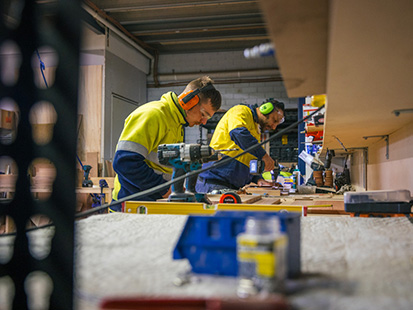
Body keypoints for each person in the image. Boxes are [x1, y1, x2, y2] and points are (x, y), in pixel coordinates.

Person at [110, 76, 222, 212]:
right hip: (129, 204)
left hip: (151, 202)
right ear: (189, 101)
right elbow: (124, 162)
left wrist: (179, 189)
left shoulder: (177, 123)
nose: (204, 122)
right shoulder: (153, 114)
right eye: (203, 114)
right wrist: (164, 189)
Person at [195, 99, 285, 193]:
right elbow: (238, 133)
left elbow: (249, 159)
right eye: (274, 120)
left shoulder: (255, 129)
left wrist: (258, 179)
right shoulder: (240, 111)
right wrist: (264, 156)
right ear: (265, 109)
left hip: (230, 187)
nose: (274, 127)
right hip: (214, 183)